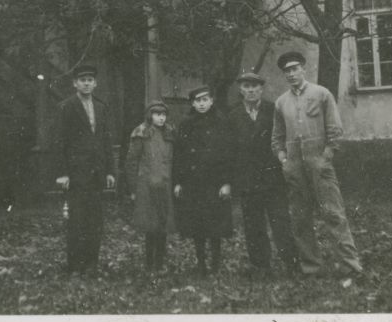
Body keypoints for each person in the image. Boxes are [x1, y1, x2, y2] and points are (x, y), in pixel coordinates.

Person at [271, 51, 363, 283]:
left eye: (295, 68)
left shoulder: (321, 94)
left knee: (333, 215)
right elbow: (277, 138)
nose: (291, 74)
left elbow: (335, 129)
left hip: (319, 166)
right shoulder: (281, 102)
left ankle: (350, 266)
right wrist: (283, 160)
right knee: (300, 219)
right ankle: (311, 267)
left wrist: (327, 156)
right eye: (287, 71)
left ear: (303, 69)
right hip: (294, 168)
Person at [229, 68, 299, 278]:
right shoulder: (233, 115)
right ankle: (261, 266)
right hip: (248, 180)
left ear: (261, 89)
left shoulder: (273, 110)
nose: (251, 91)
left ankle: (292, 264)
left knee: (281, 222)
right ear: (241, 90)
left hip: (273, 178)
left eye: (255, 87)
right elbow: (230, 149)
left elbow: (284, 139)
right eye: (246, 87)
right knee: (253, 225)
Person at [53, 63, 116, 276]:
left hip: (97, 172)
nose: (86, 83)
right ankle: (75, 265)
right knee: (77, 220)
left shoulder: (101, 107)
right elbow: (60, 142)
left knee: (95, 221)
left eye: (90, 80)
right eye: (82, 80)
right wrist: (63, 173)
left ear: (95, 83)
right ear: (75, 83)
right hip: (76, 173)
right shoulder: (66, 107)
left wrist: (110, 171)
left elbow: (106, 141)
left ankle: (91, 264)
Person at [172, 85, 233, 277]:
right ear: (192, 103)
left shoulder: (222, 122)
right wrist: (179, 181)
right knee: (197, 225)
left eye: (205, 100)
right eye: (198, 101)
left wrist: (226, 182)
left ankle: (215, 264)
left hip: (215, 182)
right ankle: (201, 264)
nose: (202, 104)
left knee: (216, 226)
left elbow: (229, 153)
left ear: (212, 101)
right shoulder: (186, 124)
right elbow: (179, 155)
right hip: (193, 182)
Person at [124, 100, 175, 274]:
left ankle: (159, 263)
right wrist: (133, 189)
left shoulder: (170, 133)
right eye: (157, 114)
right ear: (150, 115)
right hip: (146, 185)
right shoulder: (141, 133)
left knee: (162, 224)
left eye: (163, 115)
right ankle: (149, 263)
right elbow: (131, 162)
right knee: (150, 225)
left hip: (165, 184)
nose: (161, 118)